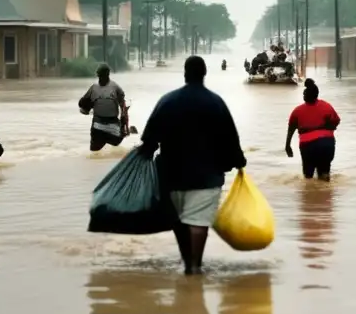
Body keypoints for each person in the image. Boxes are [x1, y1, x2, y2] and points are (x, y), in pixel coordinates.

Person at [139, 55, 246, 275]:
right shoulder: (216, 103)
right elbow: (230, 138)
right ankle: (194, 265)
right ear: (204, 74)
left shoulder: (167, 101)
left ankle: (187, 260)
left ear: (185, 74)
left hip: (171, 174)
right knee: (198, 221)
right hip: (207, 175)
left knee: (179, 219)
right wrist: (238, 161)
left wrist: (141, 161)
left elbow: (149, 139)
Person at [285, 78, 340, 180]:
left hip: (308, 146)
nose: (303, 96)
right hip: (327, 144)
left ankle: (310, 194)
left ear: (306, 96)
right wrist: (326, 129)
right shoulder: (326, 106)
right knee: (324, 175)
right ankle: (326, 194)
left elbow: (291, 128)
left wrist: (287, 145)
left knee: (308, 176)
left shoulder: (297, 111)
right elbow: (336, 121)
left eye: (304, 94)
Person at [79, 63, 127, 151]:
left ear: (107, 75)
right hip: (98, 122)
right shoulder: (93, 88)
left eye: (102, 76)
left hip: (113, 122)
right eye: (99, 76)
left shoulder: (115, 87)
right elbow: (82, 103)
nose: (100, 78)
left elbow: (123, 104)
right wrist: (86, 105)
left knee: (116, 143)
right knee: (94, 151)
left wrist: (124, 122)